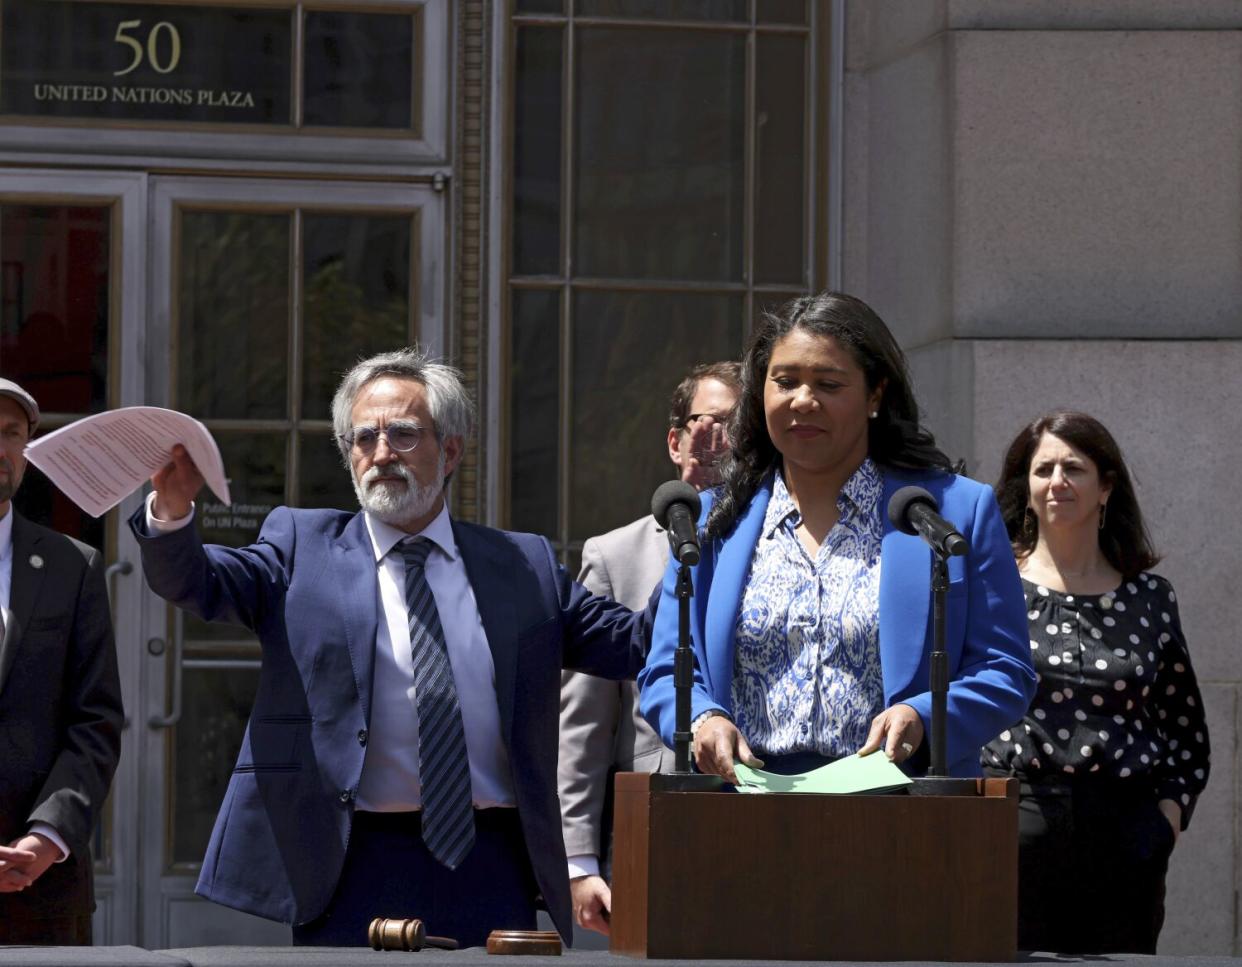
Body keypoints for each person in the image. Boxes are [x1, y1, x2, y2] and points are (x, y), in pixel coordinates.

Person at [128, 348, 647, 948]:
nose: (380, 453)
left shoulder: (521, 564)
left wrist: (708, 533)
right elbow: (199, 582)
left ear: (450, 450)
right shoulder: (302, 546)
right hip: (349, 860)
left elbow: (633, 642)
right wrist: (171, 512)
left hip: (490, 862)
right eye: (363, 437)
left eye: (402, 434)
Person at [639, 292, 1035, 782]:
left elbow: (1004, 670)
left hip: (902, 813)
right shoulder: (714, 522)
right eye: (784, 382)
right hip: (740, 814)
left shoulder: (952, 512)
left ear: (875, 395)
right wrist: (702, 719)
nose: (803, 400)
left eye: (828, 384)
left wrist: (925, 717)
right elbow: (665, 673)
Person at [982, 410, 1210, 954]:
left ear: (1105, 486)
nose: (1057, 482)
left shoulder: (1150, 597)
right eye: (1043, 470)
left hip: (1126, 832)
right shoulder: (992, 586)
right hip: (1015, 823)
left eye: (1074, 468)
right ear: (1027, 488)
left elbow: (1184, 726)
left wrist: (1167, 819)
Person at [560, 361, 740, 937]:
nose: (722, 441)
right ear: (675, 440)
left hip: (767, 811)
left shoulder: (781, 547)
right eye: (708, 422)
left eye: (740, 427)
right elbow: (582, 723)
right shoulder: (615, 555)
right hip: (656, 817)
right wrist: (579, 859)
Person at [0, 378, 123, 945]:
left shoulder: (74, 566)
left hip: (41, 886)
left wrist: (48, 835)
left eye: (11, 434)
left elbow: (95, 722)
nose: (0, 449)